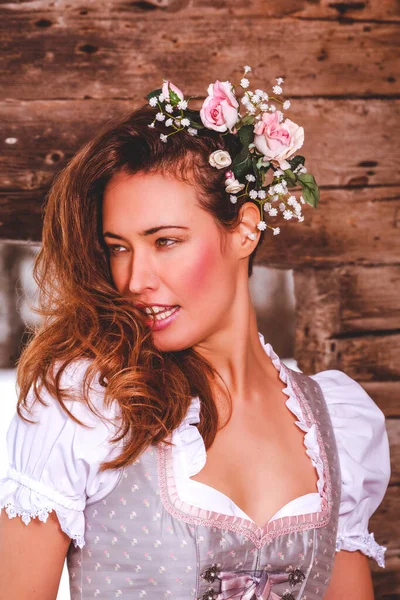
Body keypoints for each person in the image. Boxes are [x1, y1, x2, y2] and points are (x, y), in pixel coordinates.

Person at [0, 69, 391, 600]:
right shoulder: (87, 403)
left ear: (245, 230)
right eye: (119, 247)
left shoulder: (338, 424)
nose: (135, 280)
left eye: (165, 241)